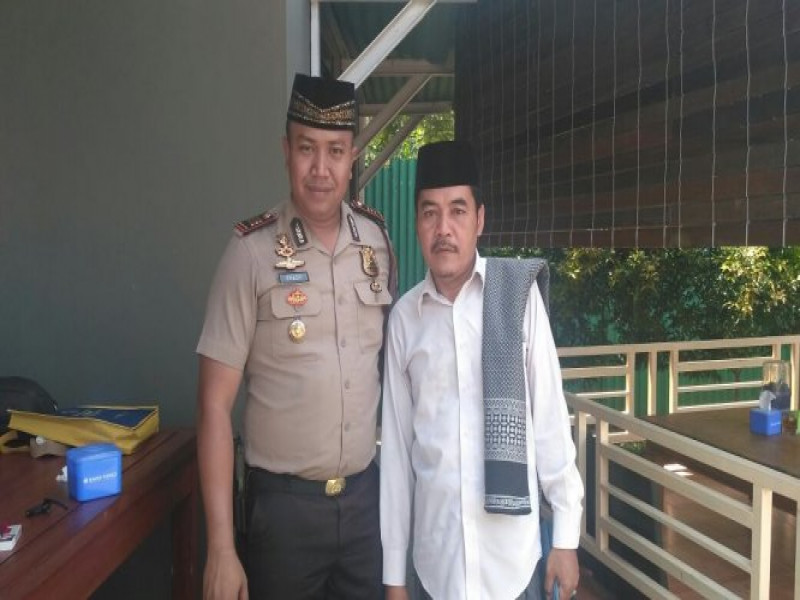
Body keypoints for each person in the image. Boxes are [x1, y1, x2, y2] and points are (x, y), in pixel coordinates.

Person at [196, 73, 395, 599]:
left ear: (352, 158)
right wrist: (220, 547)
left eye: (335, 151)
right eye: (307, 148)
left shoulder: (376, 244)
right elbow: (213, 405)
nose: (321, 169)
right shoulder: (249, 253)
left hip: (364, 508)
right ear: (286, 152)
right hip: (284, 515)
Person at [379, 140, 584, 600]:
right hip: (436, 568)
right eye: (430, 213)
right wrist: (394, 577)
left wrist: (566, 537)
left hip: (512, 567)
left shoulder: (516, 297)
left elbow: (551, 422)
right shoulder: (404, 320)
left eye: (458, 210)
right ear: (416, 224)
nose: (443, 229)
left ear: (480, 220)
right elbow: (396, 456)